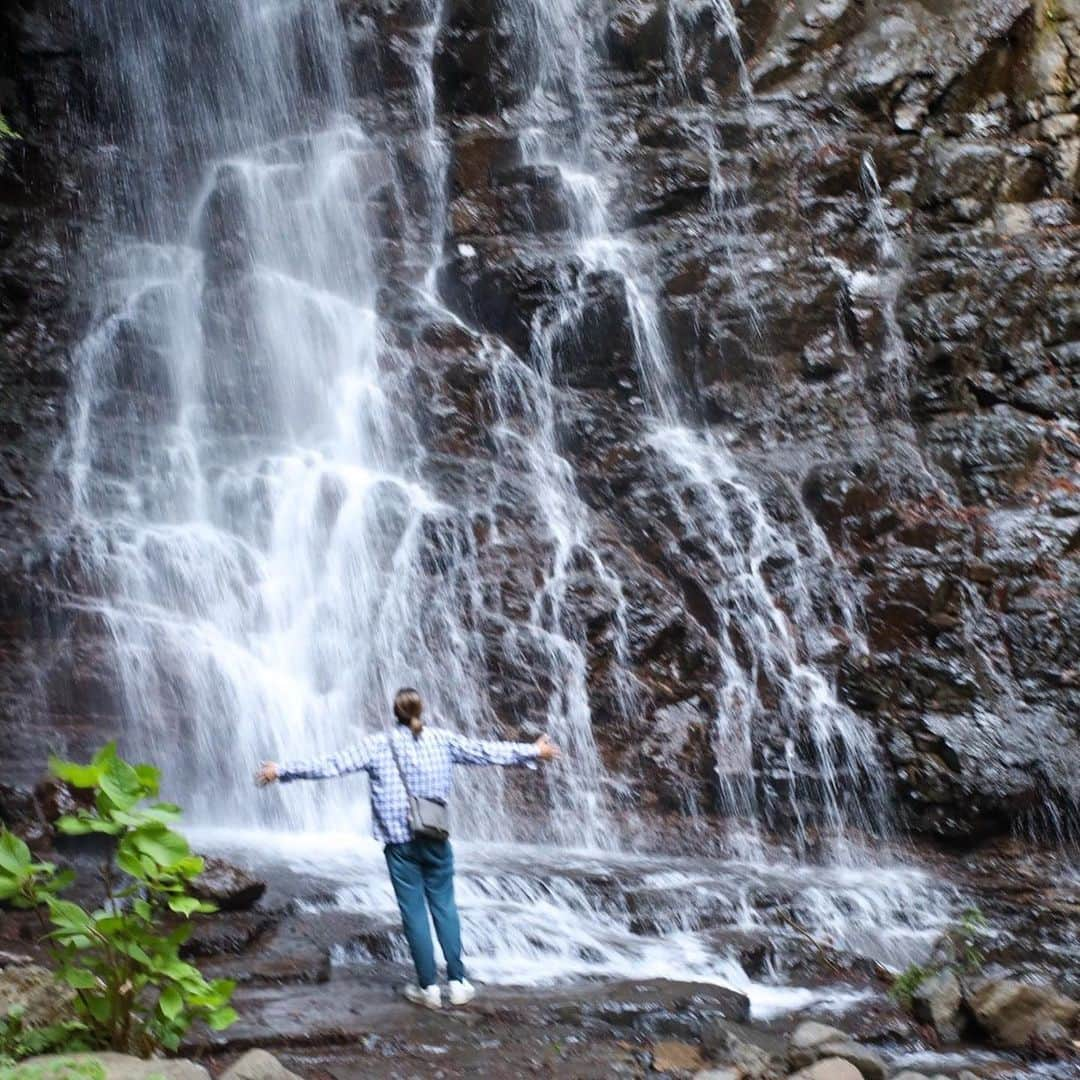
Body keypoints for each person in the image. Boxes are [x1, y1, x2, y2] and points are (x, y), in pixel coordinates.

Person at [255, 687, 560, 1009]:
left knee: (414, 913)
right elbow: (486, 752)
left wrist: (281, 771)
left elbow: (332, 765)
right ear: (421, 710)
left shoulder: (377, 745)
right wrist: (533, 751)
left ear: (395, 713)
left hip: (399, 844)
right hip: (435, 836)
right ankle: (458, 982)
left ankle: (428, 987)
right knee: (445, 907)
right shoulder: (442, 740)